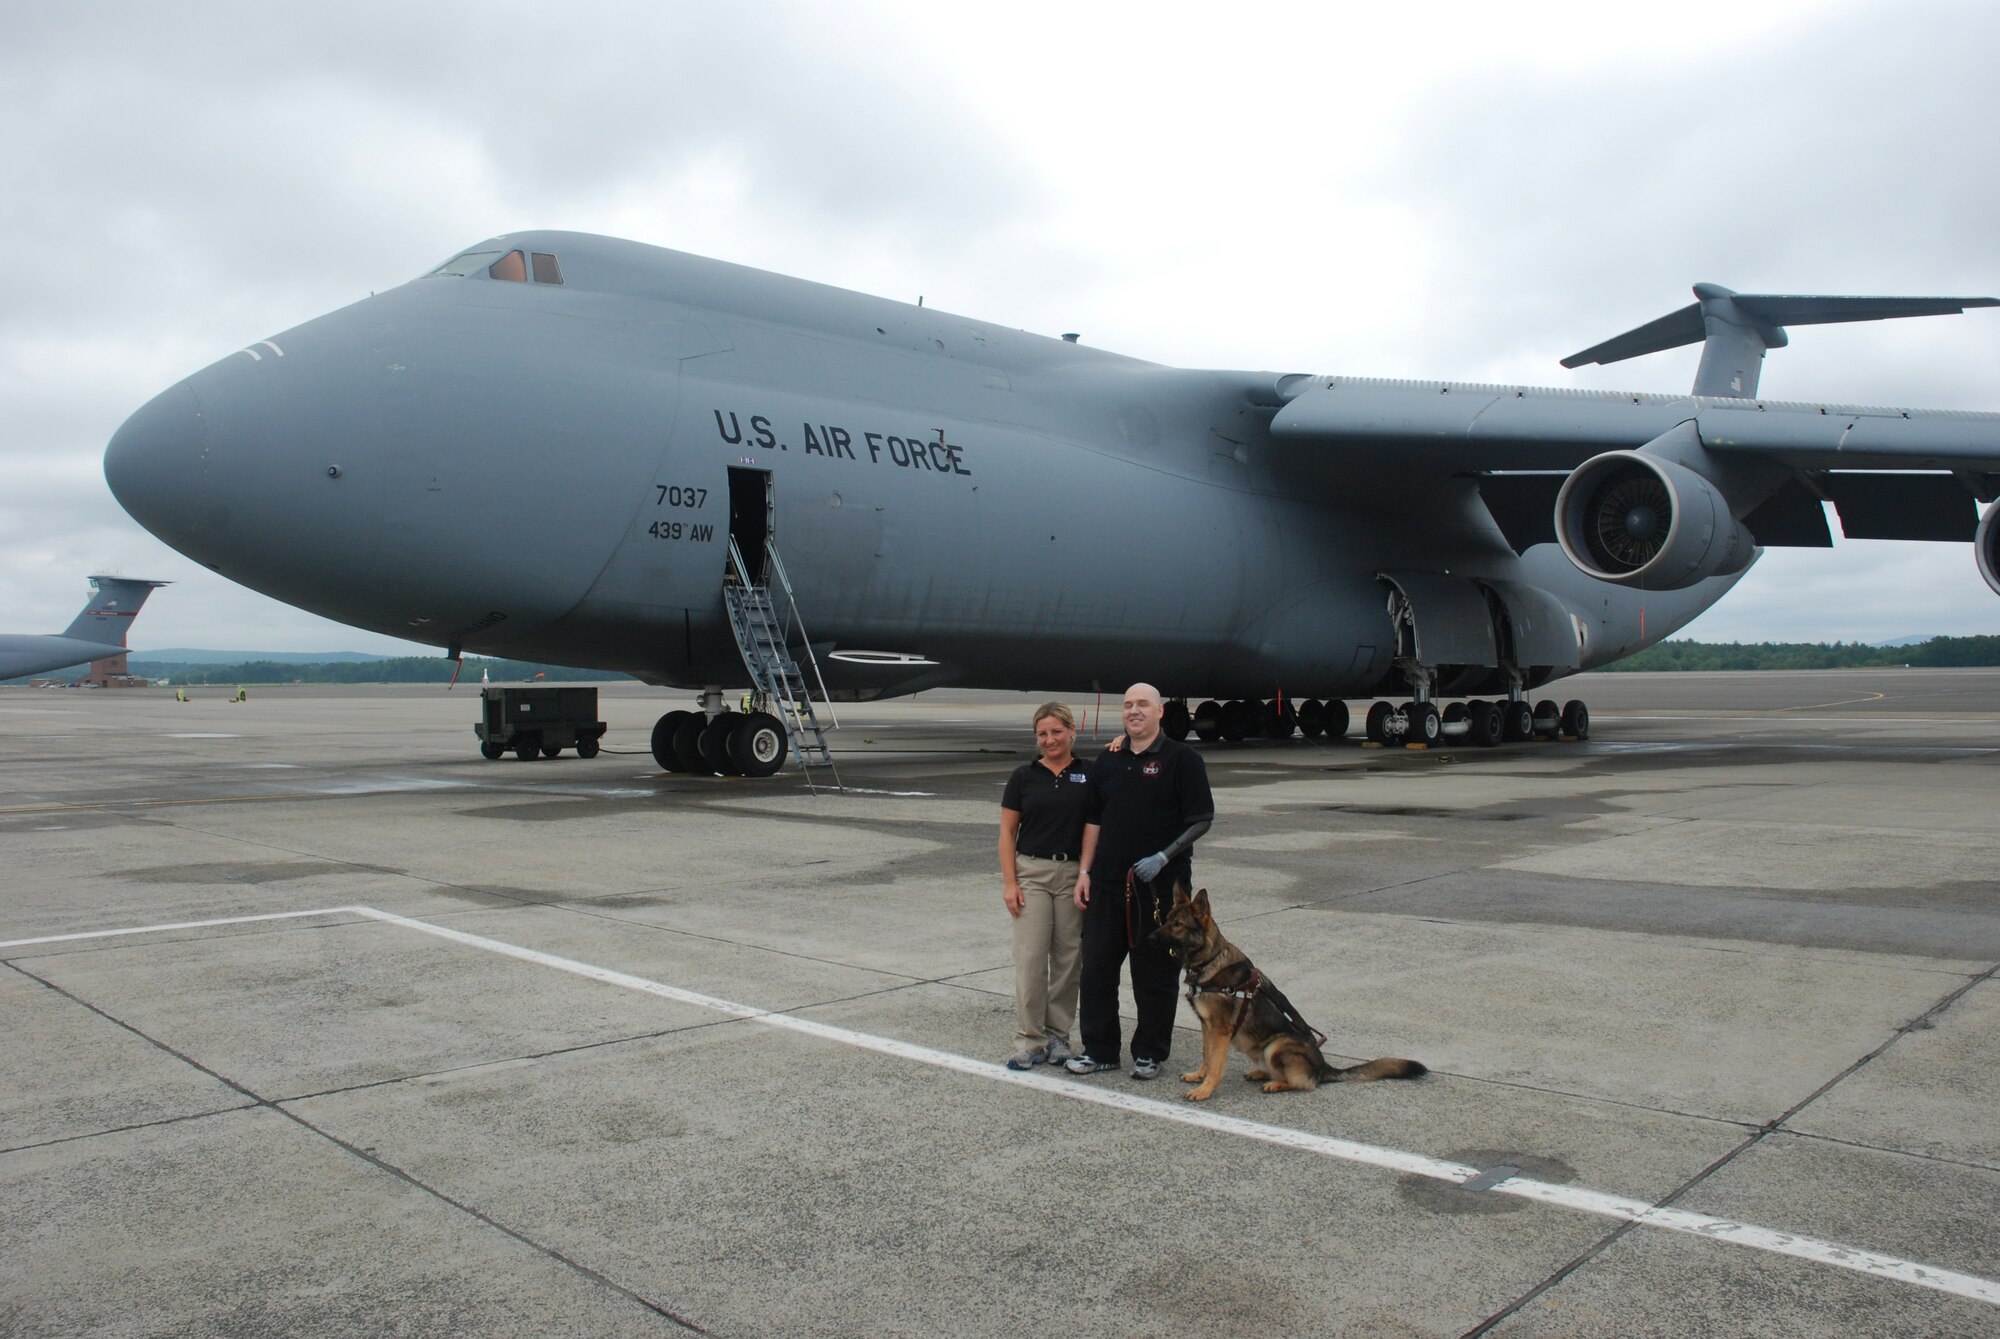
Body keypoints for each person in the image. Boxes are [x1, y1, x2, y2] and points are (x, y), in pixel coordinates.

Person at [1066, 683, 1214, 1080]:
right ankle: (1100, 1049)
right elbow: (1093, 820)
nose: (1134, 711)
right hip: (1107, 885)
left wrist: (1165, 856)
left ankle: (1150, 1052)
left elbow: (1202, 817)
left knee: (1154, 975)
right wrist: (1085, 872)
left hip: (1160, 893)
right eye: (1128, 705)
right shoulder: (1109, 761)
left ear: (1160, 711)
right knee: (1096, 970)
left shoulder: (1183, 760)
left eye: (1143, 705)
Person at [996, 701, 1090, 1070]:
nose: (1049, 740)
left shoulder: (1089, 774)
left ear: (1071, 732)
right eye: (1042, 734)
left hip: (1072, 875)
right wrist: (1009, 882)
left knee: (1068, 959)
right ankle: (1029, 1039)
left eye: (1056, 731)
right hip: (1031, 873)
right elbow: (1006, 832)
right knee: (1031, 958)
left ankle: (1058, 1037)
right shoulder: (1024, 777)